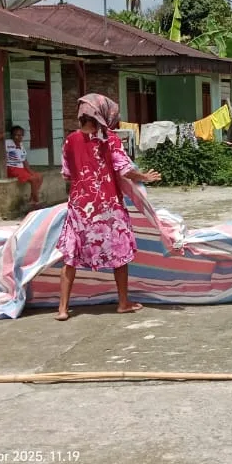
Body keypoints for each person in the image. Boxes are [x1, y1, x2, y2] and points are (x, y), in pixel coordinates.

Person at [55, 94, 161, 321]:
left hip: (79, 207)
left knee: (70, 257)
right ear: (103, 114)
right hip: (108, 206)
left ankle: (63, 309)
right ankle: (123, 303)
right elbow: (125, 169)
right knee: (119, 254)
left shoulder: (70, 140)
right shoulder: (109, 139)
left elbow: (66, 174)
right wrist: (144, 176)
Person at [5, 126, 43, 207]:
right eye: (16, 135)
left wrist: (30, 171)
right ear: (12, 135)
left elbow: (24, 160)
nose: (19, 137)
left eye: (21, 135)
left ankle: (32, 199)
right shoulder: (7, 143)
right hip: (12, 168)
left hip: (21, 168)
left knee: (39, 176)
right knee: (33, 179)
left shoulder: (21, 145)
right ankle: (36, 200)